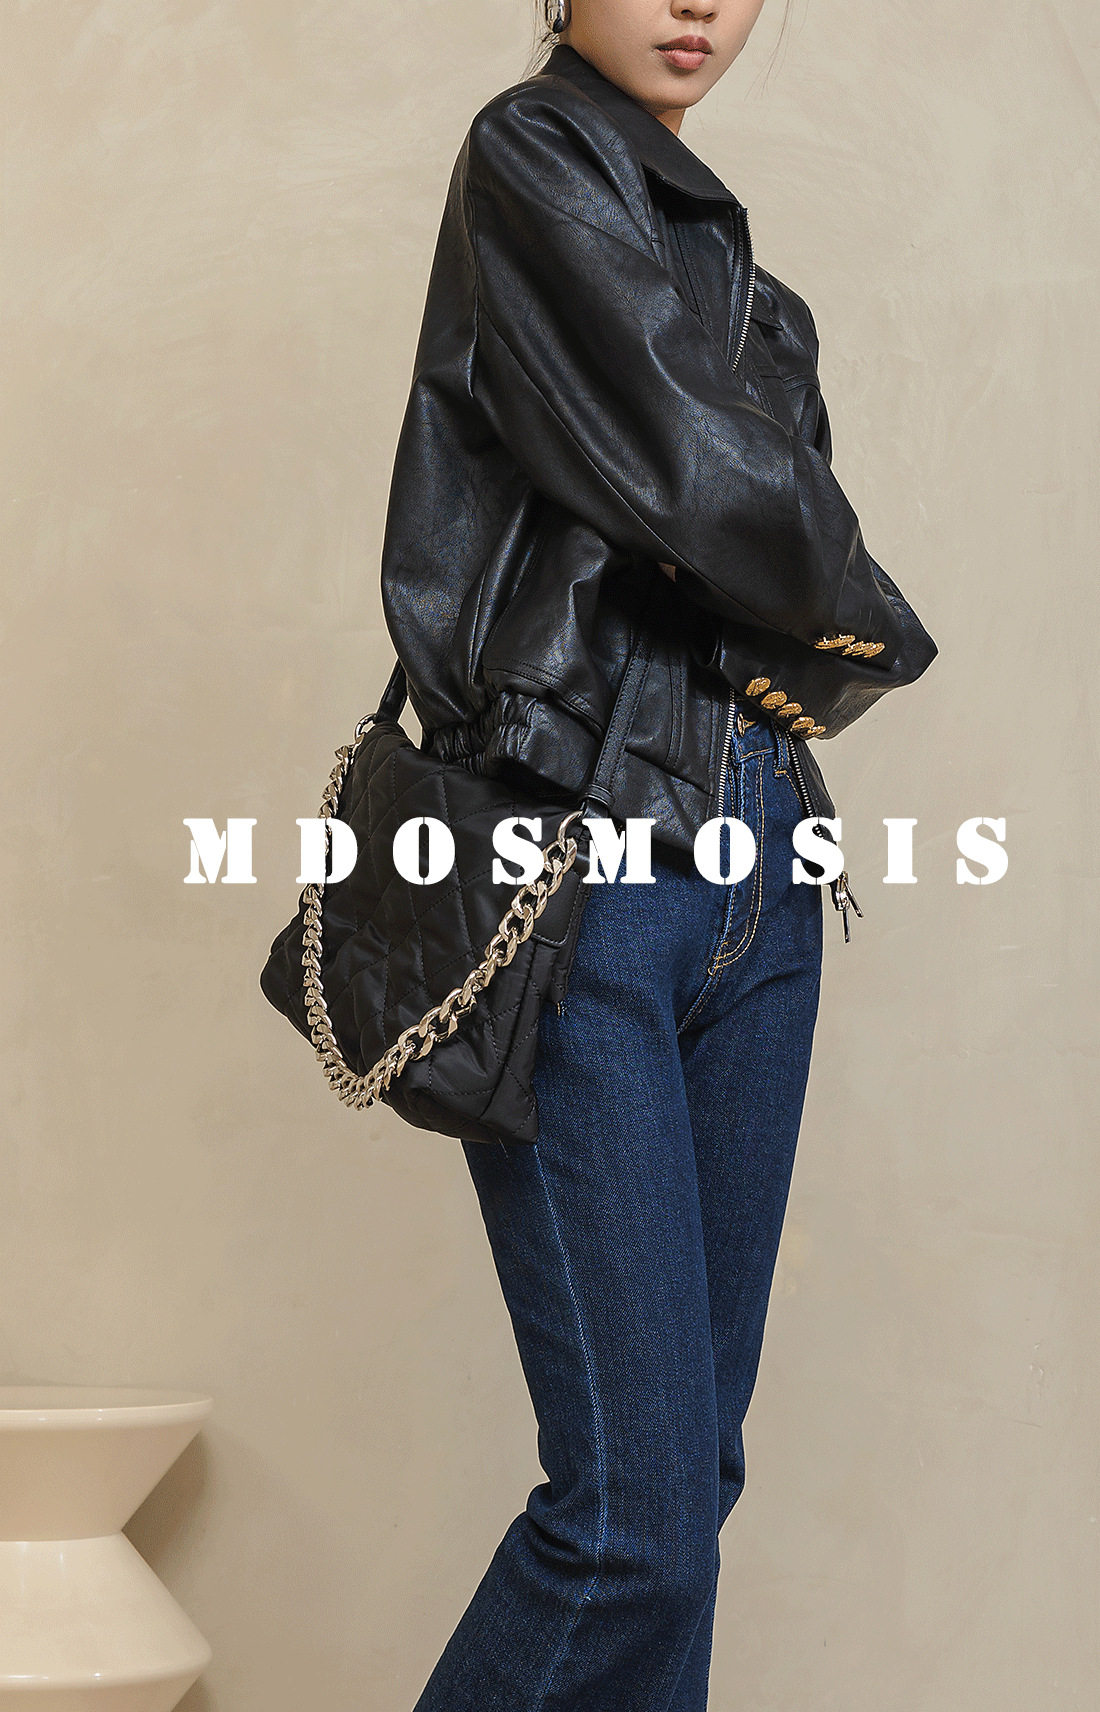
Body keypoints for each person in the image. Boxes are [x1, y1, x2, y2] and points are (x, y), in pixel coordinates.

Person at [377, 3, 937, 1707]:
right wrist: (877, 626)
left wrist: (806, 601)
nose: (697, 1)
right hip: (587, 863)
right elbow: (716, 487)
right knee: (631, 1525)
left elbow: (748, 522)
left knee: (691, 1486)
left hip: (765, 863)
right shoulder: (532, 156)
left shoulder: (754, 293)